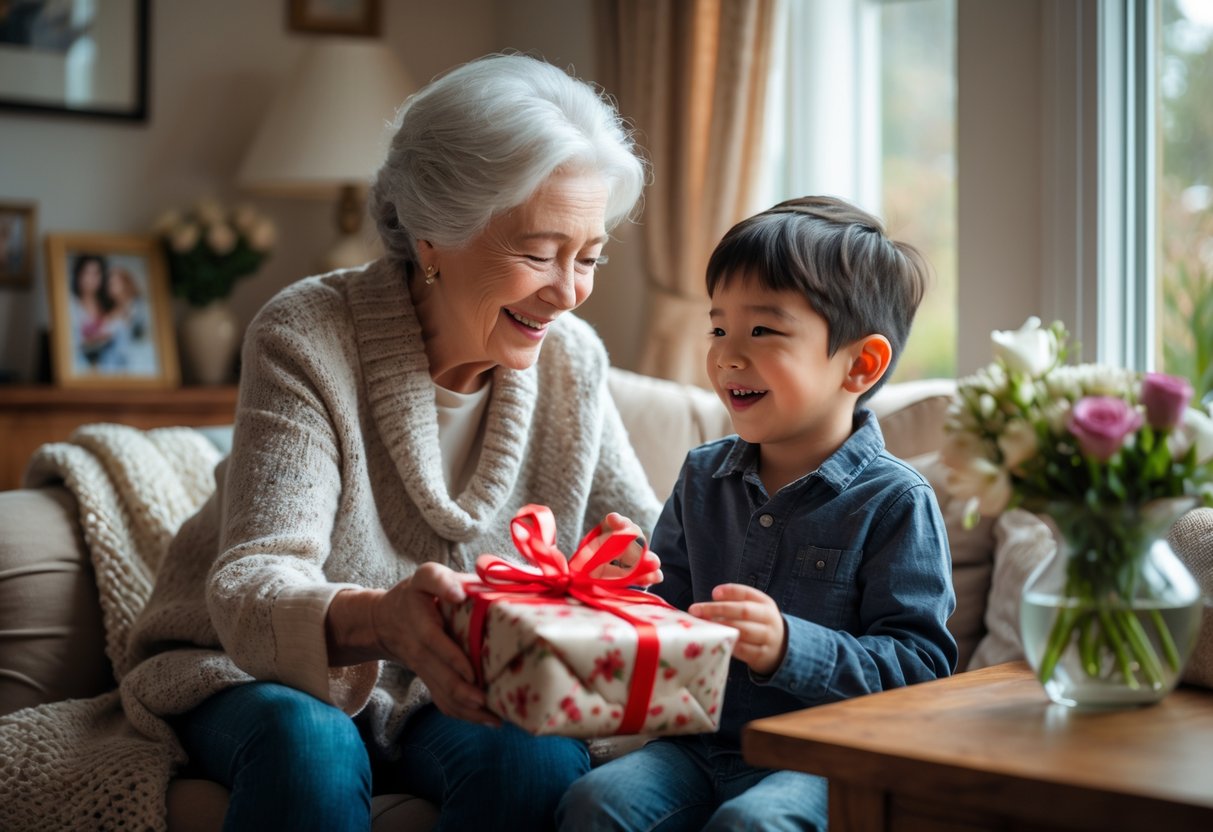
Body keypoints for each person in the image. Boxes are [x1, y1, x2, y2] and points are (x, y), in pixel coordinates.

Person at [117, 53, 660, 831]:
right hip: (251, 665)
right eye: (539, 254)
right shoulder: (308, 333)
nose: (567, 291)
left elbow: (643, 539)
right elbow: (252, 583)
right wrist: (379, 618)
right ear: (435, 234)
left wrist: (633, 568)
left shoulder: (572, 358)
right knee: (312, 741)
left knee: (533, 749)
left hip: (451, 685)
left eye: (589, 257)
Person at [557, 196, 959, 831]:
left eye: (763, 331)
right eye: (719, 329)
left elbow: (919, 668)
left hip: (823, 761)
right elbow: (670, 632)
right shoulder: (701, 477)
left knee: (754, 824)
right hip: (698, 748)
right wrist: (625, 597)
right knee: (593, 802)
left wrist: (788, 647)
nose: (727, 356)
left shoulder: (896, 501)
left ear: (861, 363)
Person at [67, 252, 114, 369]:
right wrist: (97, 340)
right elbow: (71, 345)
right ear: (78, 275)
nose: (91, 279)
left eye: (96, 273)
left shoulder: (110, 304)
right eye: (87, 273)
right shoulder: (70, 305)